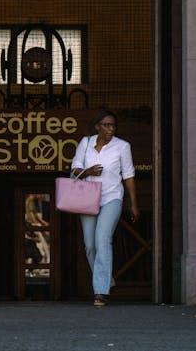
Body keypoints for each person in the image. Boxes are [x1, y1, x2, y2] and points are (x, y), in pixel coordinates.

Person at [71, 109, 140, 307]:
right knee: (90, 245)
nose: (111, 129)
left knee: (102, 239)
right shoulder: (86, 143)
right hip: (87, 198)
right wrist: (88, 171)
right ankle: (106, 280)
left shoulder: (122, 146)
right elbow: (74, 167)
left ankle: (101, 291)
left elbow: (128, 176)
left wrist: (133, 204)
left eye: (113, 125)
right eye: (106, 125)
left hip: (112, 197)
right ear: (97, 127)